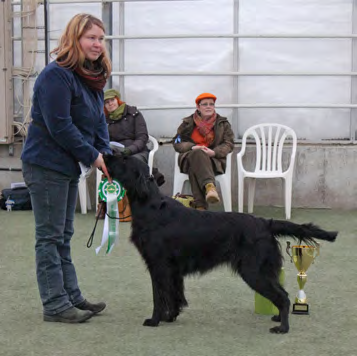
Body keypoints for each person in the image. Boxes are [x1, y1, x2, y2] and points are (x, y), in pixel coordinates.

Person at [21, 13, 112, 324]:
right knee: (49, 236)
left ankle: (71, 295)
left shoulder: (92, 78)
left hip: (67, 166)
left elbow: (99, 122)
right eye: (91, 38)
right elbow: (61, 127)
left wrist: (107, 154)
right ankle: (55, 304)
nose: (98, 44)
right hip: (45, 164)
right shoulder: (55, 76)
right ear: (75, 38)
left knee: (64, 234)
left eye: (101, 38)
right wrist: (93, 156)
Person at [173, 93, 234, 210]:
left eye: (211, 104)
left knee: (195, 165)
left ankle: (201, 207)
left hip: (213, 161)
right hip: (189, 157)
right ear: (198, 107)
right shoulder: (187, 123)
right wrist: (192, 147)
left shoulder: (223, 124)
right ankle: (210, 187)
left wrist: (214, 152)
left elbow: (229, 143)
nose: (208, 106)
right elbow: (177, 143)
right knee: (197, 153)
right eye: (205, 104)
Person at [95, 88, 149, 218]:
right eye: (106, 102)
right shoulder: (102, 119)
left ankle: (139, 205)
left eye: (112, 100)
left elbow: (142, 137)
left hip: (135, 151)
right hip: (115, 153)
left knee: (134, 163)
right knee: (106, 165)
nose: (110, 104)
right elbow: (99, 140)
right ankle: (103, 204)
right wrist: (107, 151)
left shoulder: (134, 114)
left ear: (118, 100)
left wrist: (129, 150)